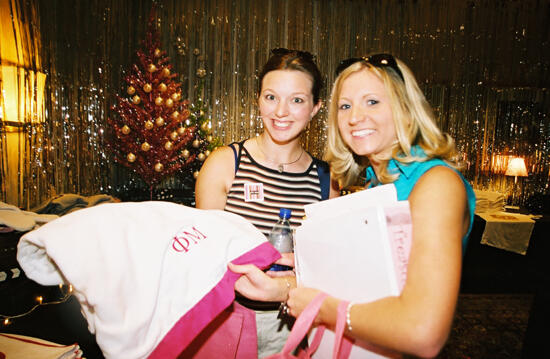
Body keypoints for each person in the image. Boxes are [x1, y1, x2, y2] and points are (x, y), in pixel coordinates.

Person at [228, 53, 476, 358]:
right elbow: (364, 287)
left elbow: (422, 332)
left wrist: (321, 307)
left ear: (407, 110)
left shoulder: (436, 184)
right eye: (345, 106)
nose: (355, 117)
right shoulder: (374, 188)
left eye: (372, 101)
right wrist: (283, 288)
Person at [195, 48, 339, 358]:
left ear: (316, 108)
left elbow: (330, 272)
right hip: (225, 322)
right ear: (258, 99)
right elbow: (201, 259)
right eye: (271, 97)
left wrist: (286, 288)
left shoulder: (326, 181)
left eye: (297, 100)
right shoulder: (225, 164)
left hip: (294, 327)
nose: (281, 112)